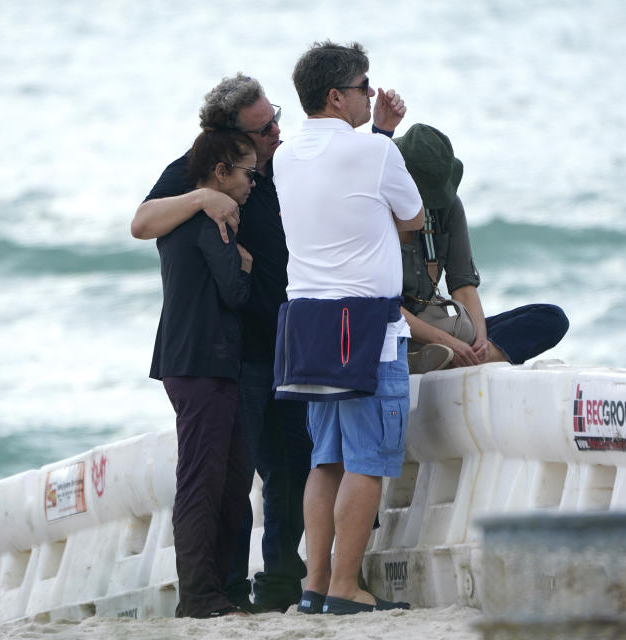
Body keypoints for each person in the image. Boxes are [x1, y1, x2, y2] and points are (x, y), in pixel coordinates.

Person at [132, 73, 407, 612]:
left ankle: (285, 579)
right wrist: (202, 197)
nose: (278, 132)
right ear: (228, 142)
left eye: (277, 117)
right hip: (243, 349)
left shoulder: (283, 165)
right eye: (264, 128)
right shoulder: (202, 173)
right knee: (243, 474)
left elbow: (351, 189)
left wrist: (379, 132)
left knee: (294, 461)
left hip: (294, 338)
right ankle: (227, 589)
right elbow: (142, 222)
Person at [271, 41, 424, 615]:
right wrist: (382, 139)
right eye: (364, 86)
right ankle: (345, 587)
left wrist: (375, 135)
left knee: (325, 460)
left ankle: (315, 584)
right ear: (336, 96)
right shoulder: (375, 155)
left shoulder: (284, 157)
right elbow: (410, 218)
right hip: (366, 328)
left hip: (307, 324)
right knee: (368, 461)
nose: (370, 93)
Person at [145, 127, 255, 618]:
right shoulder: (209, 222)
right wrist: (244, 265)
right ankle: (199, 596)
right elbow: (234, 293)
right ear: (220, 172)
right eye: (248, 173)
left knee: (226, 477)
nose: (254, 181)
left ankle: (215, 591)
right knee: (202, 480)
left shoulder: (179, 214)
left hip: (188, 359)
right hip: (203, 361)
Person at [393, 124, 569, 373]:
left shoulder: (447, 206)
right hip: (392, 326)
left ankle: (454, 361)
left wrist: (480, 342)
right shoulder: (376, 211)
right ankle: (435, 358)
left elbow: (463, 287)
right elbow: (382, 308)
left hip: (436, 324)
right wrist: (444, 340)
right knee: (381, 326)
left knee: (551, 319)